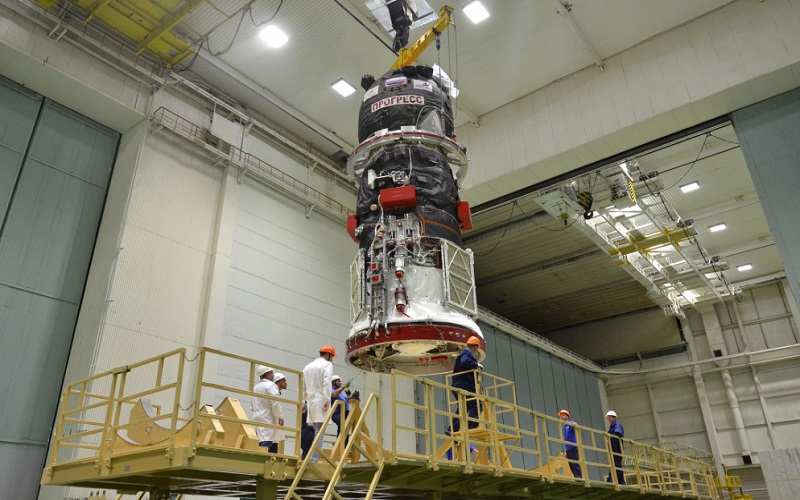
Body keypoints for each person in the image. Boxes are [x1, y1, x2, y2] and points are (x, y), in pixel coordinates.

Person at [302, 345, 336, 461]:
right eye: (332, 357)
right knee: (319, 432)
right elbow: (327, 383)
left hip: (310, 401)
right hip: (321, 400)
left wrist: (302, 401)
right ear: (328, 355)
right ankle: (314, 459)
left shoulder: (307, 366)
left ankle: (309, 457)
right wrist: (327, 400)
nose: (332, 360)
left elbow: (302, 384)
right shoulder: (327, 365)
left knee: (314, 430)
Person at [450, 336, 483, 433]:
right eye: (477, 348)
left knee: (463, 408)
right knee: (476, 405)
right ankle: (470, 428)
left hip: (459, 385)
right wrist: (476, 365)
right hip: (464, 385)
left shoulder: (463, 355)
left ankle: (452, 429)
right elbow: (465, 362)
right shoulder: (466, 354)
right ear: (475, 347)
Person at [251, 365, 283, 452]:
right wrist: (280, 416)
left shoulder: (256, 387)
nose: (273, 375)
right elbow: (275, 403)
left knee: (260, 439)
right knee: (267, 439)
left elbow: (252, 404)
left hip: (256, 416)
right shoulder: (271, 385)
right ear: (268, 374)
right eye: (272, 373)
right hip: (267, 416)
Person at [558, 409, 582, 478]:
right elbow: (566, 439)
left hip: (573, 447)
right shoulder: (564, 428)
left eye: (563, 415)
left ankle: (579, 478)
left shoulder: (570, 423)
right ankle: (576, 478)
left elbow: (574, 424)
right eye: (561, 416)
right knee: (571, 465)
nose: (561, 417)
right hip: (568, 449)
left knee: (575, 464)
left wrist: (574, 424)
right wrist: (566, 451)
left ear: (567, 416)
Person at [606, 410, 625, 485]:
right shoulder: (612, 426)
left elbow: (618, 433)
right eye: (608, 418)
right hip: (612, 448)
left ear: (614, 418)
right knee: (613, 464)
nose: (608, 419)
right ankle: (611, 480)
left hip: (616, 448)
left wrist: (610, 436)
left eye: (610, 417)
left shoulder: (617, 424)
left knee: (616, 465)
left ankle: (620, 482)